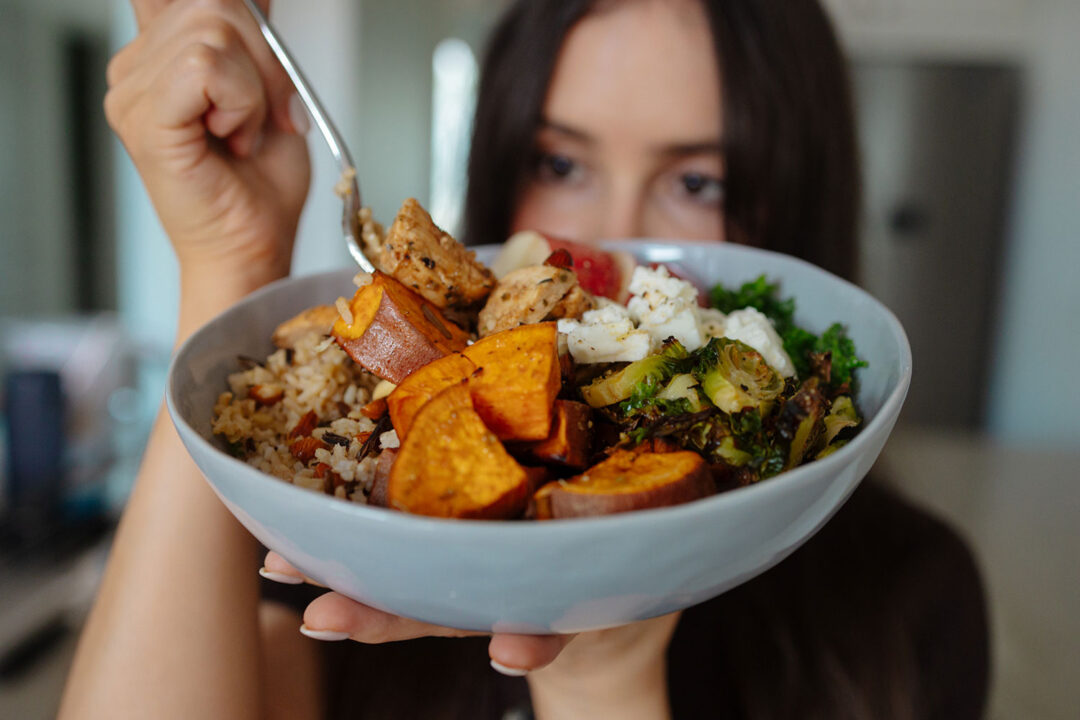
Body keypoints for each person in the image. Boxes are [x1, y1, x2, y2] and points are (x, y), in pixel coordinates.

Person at [59, 0, 989, 718]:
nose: (604, 235)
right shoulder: (352, 539)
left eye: (699, 181)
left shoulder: (914, 600)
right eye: (561, 164)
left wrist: (601, 671)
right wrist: (230, 259)